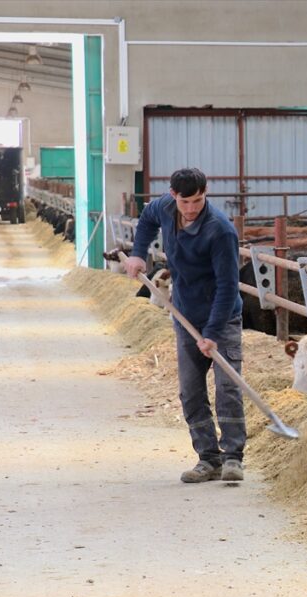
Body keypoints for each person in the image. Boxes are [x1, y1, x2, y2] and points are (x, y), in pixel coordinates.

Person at [124, 168, 246, 483]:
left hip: (222, 318)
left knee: (227, 388)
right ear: (173, 195)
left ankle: (233, 458)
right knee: (190, 392)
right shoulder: (163, 207)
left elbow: (227, 287)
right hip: (185, 314)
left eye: (198, 200)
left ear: (206, 193)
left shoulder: (220, 231)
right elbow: (147, 220)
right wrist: (138, 255)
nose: (191, 208)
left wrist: (213, 334)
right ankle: (208, 460)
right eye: (185, 201)